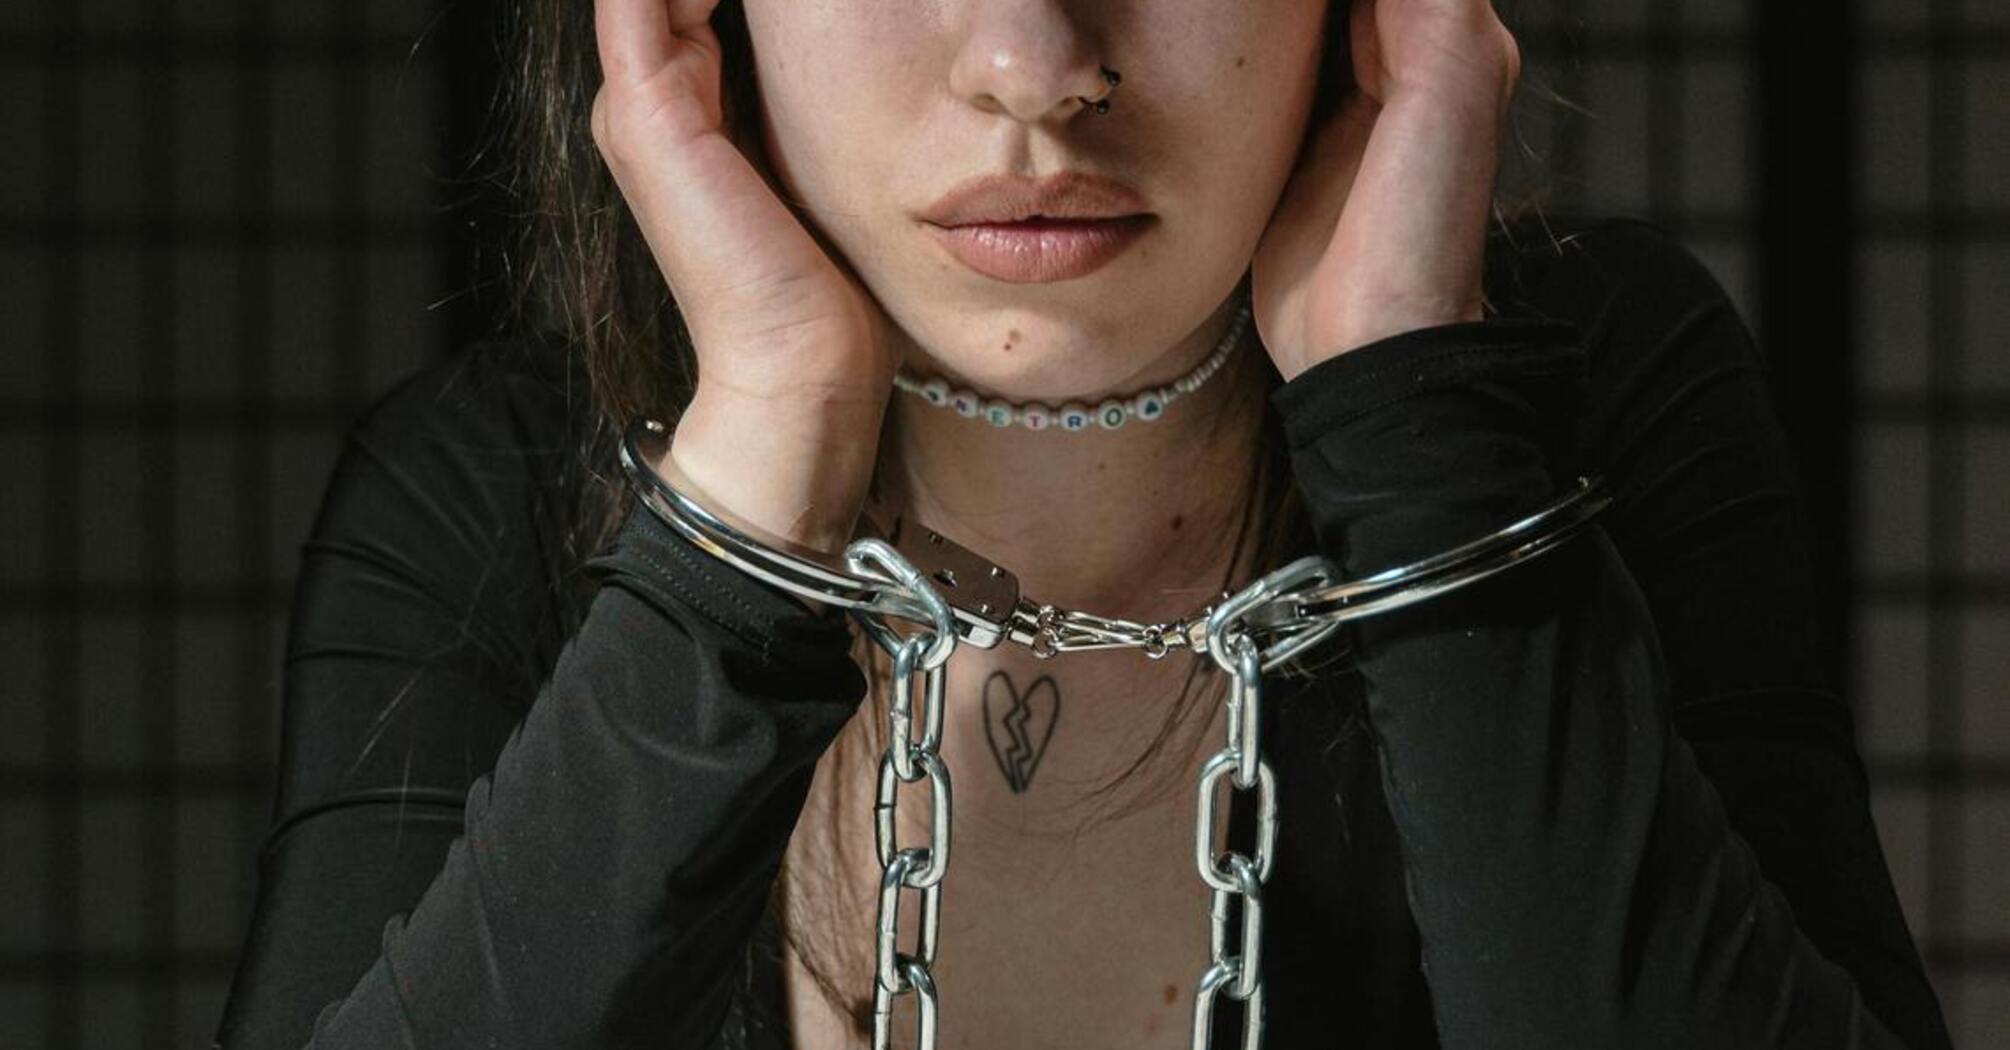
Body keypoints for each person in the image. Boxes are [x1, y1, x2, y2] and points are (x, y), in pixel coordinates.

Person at [212, 0, 1954, 1048]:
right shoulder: (497, 485)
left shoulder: (1575, 404)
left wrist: (1413, 420)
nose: (1033, 67)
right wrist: (746, 488)